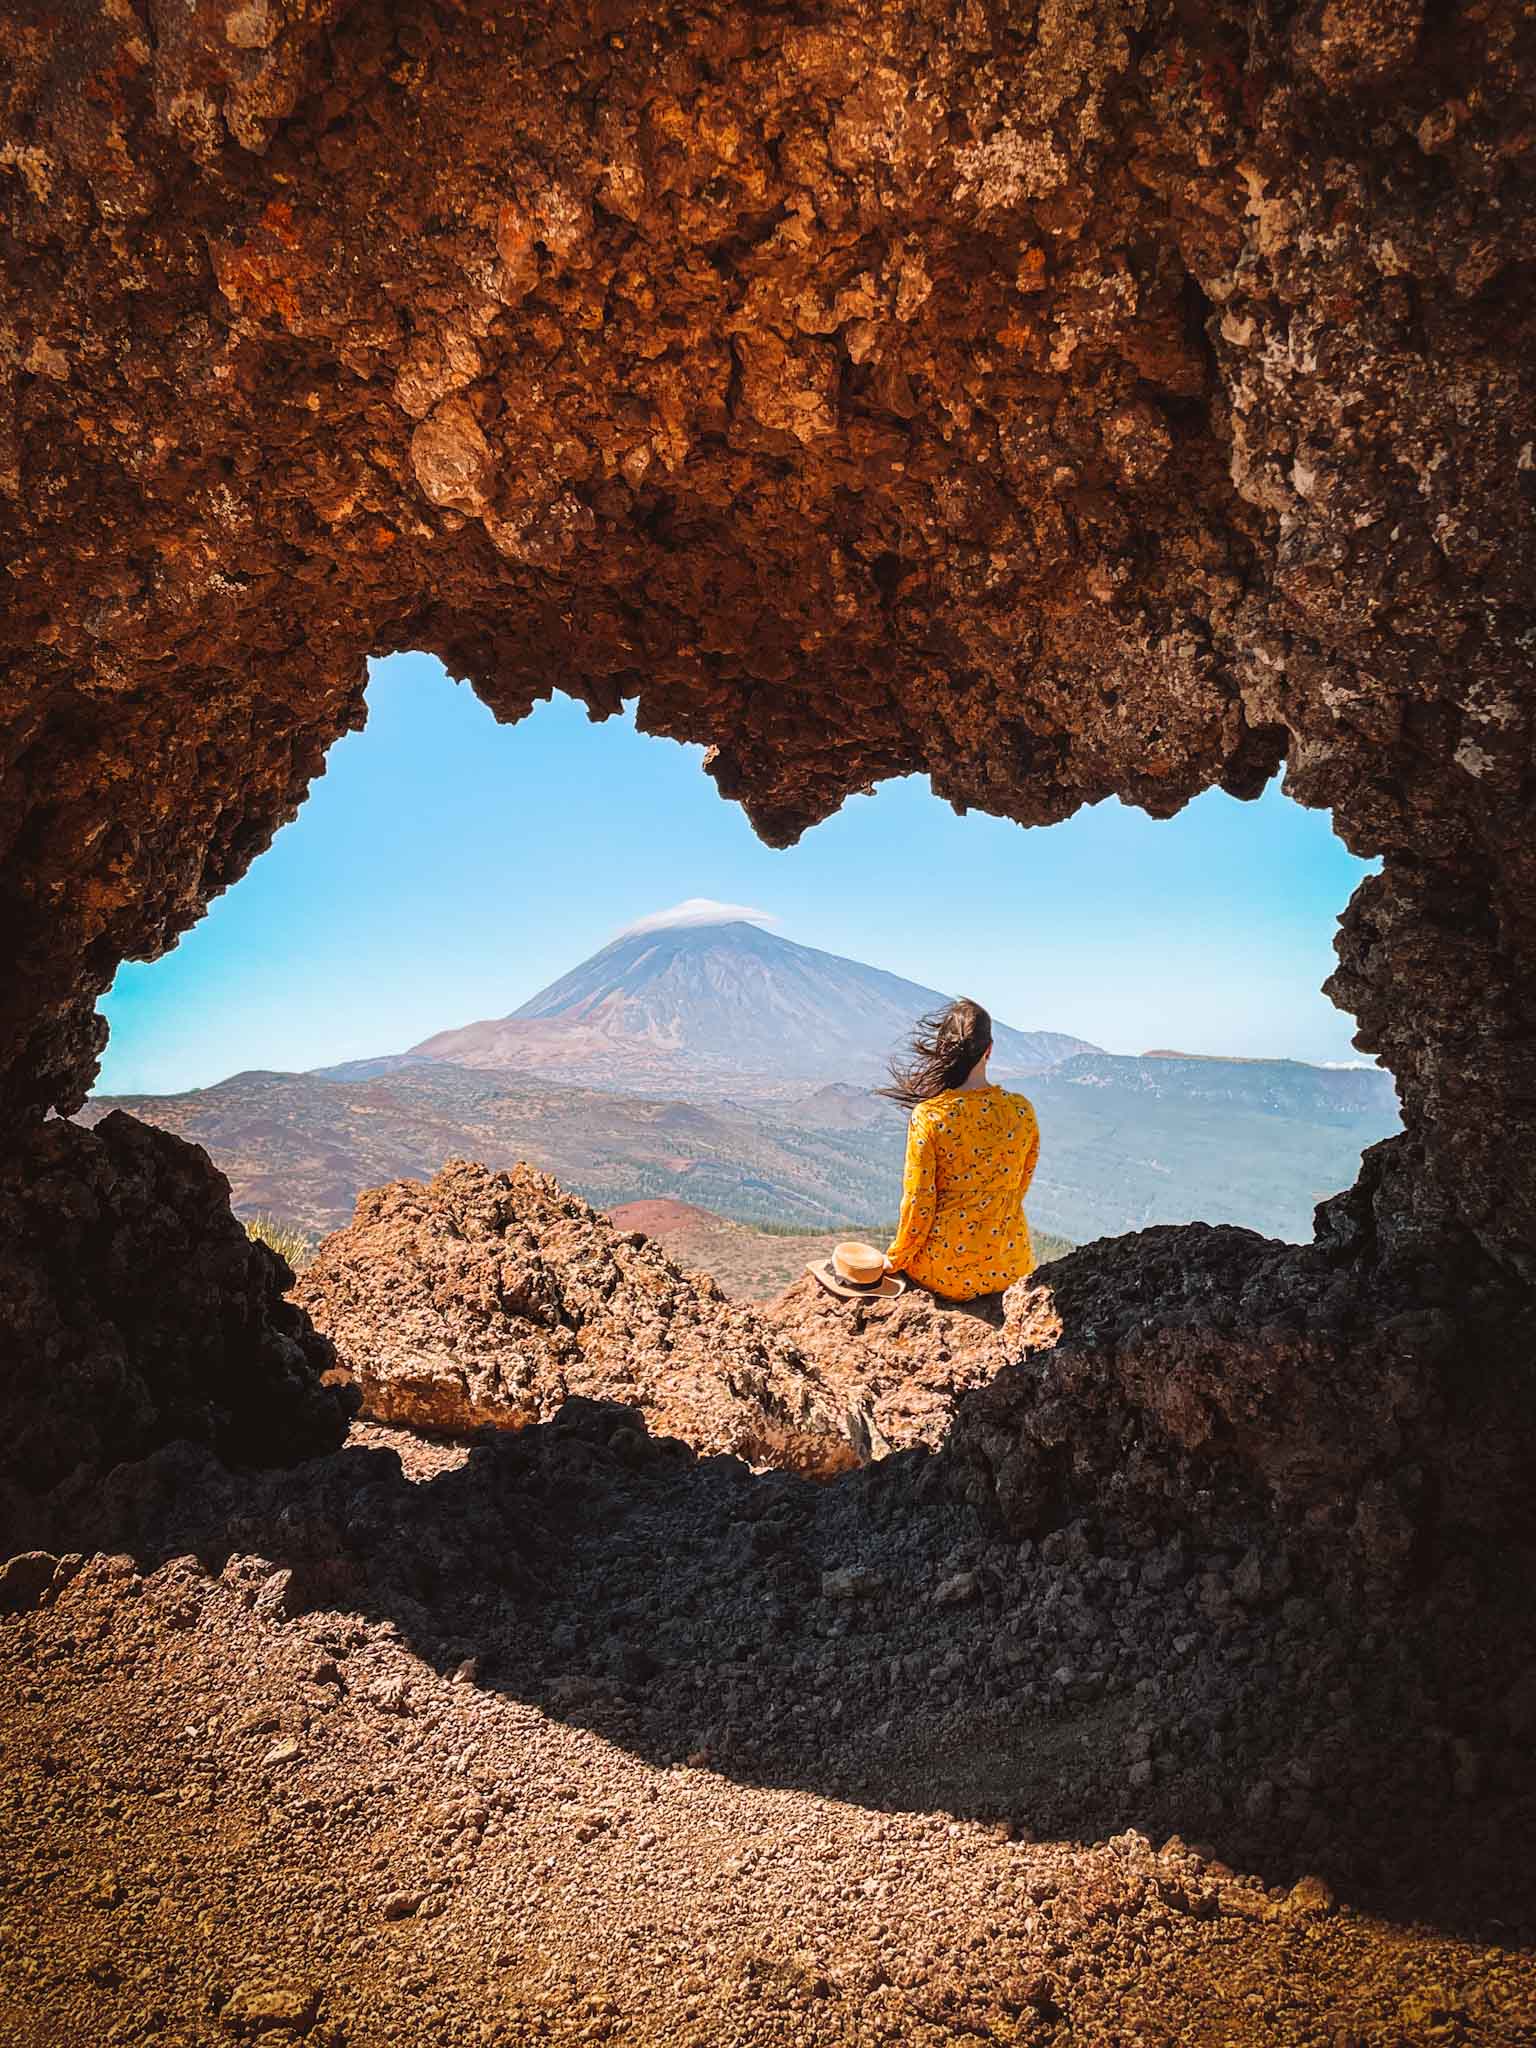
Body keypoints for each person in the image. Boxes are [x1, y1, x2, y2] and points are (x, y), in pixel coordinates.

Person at [880, 997, 1039, 1302]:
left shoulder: (930, 1116)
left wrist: (896, 1259)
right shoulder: (1021, 1110)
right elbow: (1020, 1186)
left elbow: (919, 1202)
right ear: (989, 1050)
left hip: (943, 1273)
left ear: (944, 1050)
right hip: (1010, 1266)